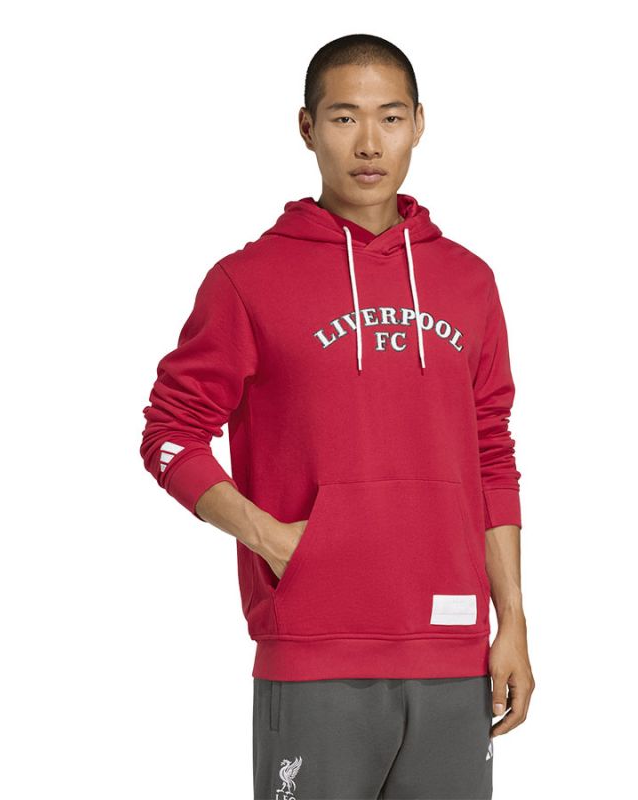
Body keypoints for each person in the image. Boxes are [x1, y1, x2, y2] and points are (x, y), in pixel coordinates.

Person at [139, 32, 535, 800]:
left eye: (390, 117)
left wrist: (511, 618)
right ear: (308, 127)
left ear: (419, 123)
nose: (369, 143)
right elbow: (170, 433)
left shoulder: (468, 281)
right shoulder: (247, 280)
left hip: (453, 650)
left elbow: (492, 450)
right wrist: (272, 538)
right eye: (345, 117)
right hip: (314, 652)